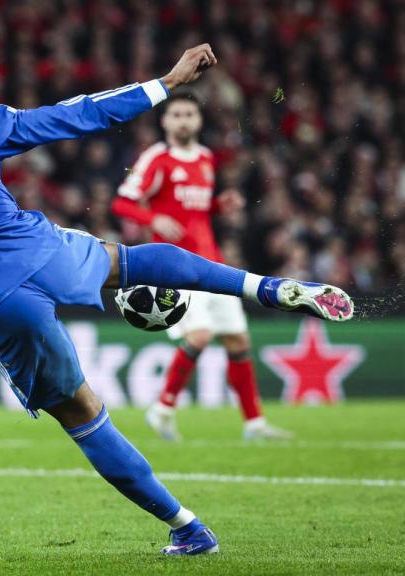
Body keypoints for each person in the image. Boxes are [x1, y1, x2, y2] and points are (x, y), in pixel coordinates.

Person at [0, 46, 353, 555]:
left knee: (83, 414)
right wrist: (166, 82)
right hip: (36, 249)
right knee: (128, 261)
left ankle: (187, 527)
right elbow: (78, 112)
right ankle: (267, 287)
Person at [112, 94, 292, 441]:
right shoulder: (156, 158)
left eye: (189, 114)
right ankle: (162, 409)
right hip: (176, 271)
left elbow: (193, 210)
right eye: (176, 114)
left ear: (199, 120)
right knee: (201, 335)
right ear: (164, 122)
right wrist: (154, 218)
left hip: (212, 265)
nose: (183, 120)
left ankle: (254, 424)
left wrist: (216, 205)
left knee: (238, 340)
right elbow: (122, 202)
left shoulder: (207, 159)